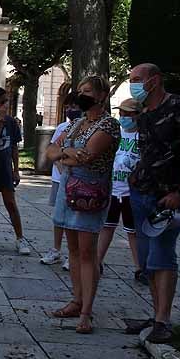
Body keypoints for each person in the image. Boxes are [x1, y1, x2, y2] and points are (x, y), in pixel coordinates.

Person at [123, 63, 180, 344]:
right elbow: (148, 150)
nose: (134, 85)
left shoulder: (179, 107)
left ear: (155, 80)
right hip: (142, 192)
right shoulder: (144, 114)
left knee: (162, 255)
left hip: (168, 195)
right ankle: (155, 315)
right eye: (131, 80)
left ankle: (163, 320)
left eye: (138, 80)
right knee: (146, 259)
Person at [46, 76, 120, 335]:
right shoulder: (77, 123)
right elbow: (51, 150)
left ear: (102, 95)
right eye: (80, 91)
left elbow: (87, 156)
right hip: (68, 190)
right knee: (73, 250)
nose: (82, 95)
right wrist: (66, 154)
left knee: (88, 252)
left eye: (87, 91)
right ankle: (76, 300)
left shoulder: (109, 124)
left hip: (90, 192)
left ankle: (87, 311)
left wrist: (64, 154)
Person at [97, 98, 145, 285]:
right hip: (112, 188)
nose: (123, 118)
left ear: (137, 116)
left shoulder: (142, 137)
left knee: (132, 231)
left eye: (128, 114)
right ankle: (97, 261)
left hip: (130, 192)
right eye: (122, 114)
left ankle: (140, 267)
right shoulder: (117, 134)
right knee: (107, 226)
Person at [0, 87, 32, 255]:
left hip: (4, 167)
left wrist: (16, 170)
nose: (5, 105)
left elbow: (14, 148)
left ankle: (20, 238)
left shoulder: (11, 122)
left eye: (6, 102)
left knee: (10, 203)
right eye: (1, 102)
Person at [41, 93, 80, 269]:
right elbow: (53, 149)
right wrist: (59, 163)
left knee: (75, 217)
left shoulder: (88, 128)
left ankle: (74, 254)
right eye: (67, 107)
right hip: (60, 178)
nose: (70, 110)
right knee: (59, 216)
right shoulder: (63, 127)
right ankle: (56, 250)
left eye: (74, 107)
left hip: (79, 180)